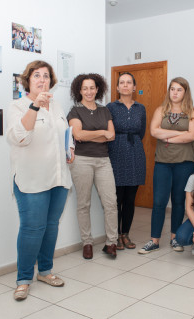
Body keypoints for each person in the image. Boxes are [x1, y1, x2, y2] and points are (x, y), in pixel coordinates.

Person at [6, 60, 74, 301]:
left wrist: (71, 147)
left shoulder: (56, 106)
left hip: (58, 177)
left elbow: (65, 133)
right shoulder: (18, 106)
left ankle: (45, 271)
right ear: (28, 80)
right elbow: (20, 138)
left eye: (46, 75)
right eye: (36, 75)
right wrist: (34, 107)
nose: (42, 79)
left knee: (51, 226)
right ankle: (24, 279)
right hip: (31, 178)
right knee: (32, 229)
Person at [138, 77, 194, 254]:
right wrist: (178, 134)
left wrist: (167, 136)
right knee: (158, 202)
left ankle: (174, 238)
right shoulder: (161, 110)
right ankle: (154, 240)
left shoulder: (192, 112)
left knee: (179, 202)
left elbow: (192, 136)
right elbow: (153, 131)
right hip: (163, 163)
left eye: (179, 89)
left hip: (185, 162)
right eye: (172, 89)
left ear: (185, 92)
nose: (175, 92)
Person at [67, 73, 119, 259]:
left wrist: (97, 134)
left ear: (98, 89)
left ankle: (111, 242)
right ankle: (87, 242)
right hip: (82, 160)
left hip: (103, 160)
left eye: (92, 88)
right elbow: (78, 135)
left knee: (111, 203)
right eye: (85, 88)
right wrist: (102, 132)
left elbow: (111, 136)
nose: (89, 91)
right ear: (79, 90)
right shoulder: (74, 111)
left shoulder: (104, 110)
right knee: (83, 204)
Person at [107, 72, 146, 250]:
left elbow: (142, 131)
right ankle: (114, 236)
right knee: (116, 198)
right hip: (116, 151)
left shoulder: (141, 108)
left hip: (136, 152)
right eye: (121, 82)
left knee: (130, 198)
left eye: (129, 82)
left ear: (134, 87)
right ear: (117, 87)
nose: (125, 85)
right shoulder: (111, 107)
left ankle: (125, 234)